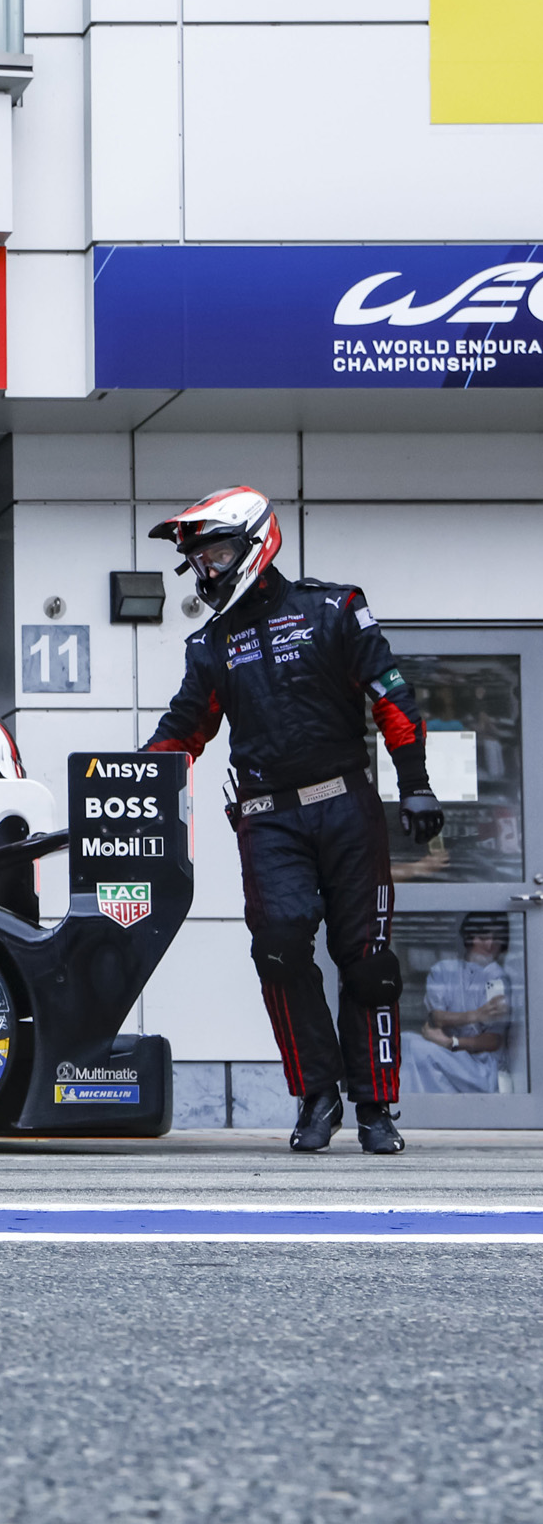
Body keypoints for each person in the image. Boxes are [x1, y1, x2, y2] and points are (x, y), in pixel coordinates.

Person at [144, 485, 442, 1155]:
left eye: (217, 551)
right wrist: (123, 784)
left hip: (346, 805)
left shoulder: (335, 607)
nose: (208, 569)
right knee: (278, 949)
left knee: (366, 961)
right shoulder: (210, 645)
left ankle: (375, 1107)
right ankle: (316, 1095)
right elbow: (181, 734)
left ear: (256, 542)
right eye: (199, 559)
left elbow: (392, 696)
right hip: (265, 817)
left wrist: (416, 784)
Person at [400, 914, 514, 1094]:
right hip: (449, 1055)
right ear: (468, 938)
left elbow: (493, 1040)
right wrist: (475, 1015)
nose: (490, 944)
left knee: (419, 1050)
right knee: (405, 1039)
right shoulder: (445, 970)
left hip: (479, 1064)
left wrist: (451, 1042)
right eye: (483, 937)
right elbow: (436, 1018)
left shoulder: (498, 979)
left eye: (496, 938)